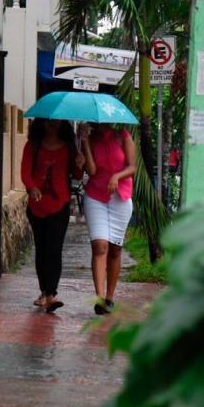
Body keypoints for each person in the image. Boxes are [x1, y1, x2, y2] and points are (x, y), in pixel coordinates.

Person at [21, 118, 84, 312]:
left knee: (55, 249)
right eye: (48, 120)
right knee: (41, 249)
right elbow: (25, 172)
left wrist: (79, 163)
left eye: (56, 121)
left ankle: (51, 293)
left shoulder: (69, 147)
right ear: (41, 122)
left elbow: (77, 175)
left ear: (62, 123)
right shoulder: (33, 146)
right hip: (37, 206)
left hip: (60, 205)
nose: (52, 123)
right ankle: (44, 291)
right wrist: (32, 188)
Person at [80, 123, 136, 315]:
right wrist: (85, 143)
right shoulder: (90, 139)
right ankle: (100, 298)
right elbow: (92, 171)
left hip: (121, 197)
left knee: (115, 249)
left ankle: (110, 297)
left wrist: (116, 176)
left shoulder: (123, 136)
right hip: (96, 196)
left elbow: (132, 167)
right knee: (100, 245)